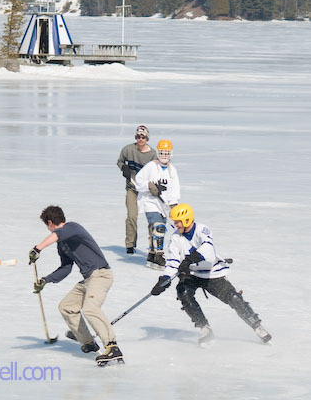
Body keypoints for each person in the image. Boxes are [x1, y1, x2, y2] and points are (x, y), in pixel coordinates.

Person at [151, 203, 272, 345]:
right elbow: (172, 261)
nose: (175, 225)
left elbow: (208, 250)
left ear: (187, 220)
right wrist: (164, 280)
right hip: (192, 274)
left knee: (233, 298)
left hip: (211, 273)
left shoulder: (202, 230)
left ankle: (256, 325)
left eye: (177, 222)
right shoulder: (176, 238)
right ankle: (204, 328)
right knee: (183, 292)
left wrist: (188, 260)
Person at [28, 205, 124, 366]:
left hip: (101, 274)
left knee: (90, 309)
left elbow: (59, 234)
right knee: (66, 306)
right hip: (88, 280)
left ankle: (112, 346)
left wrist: (38, 248)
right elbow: (66, 268)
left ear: (50, 222)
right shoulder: (61, 244)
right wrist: (46, 280)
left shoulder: (72, 228)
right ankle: (88, 342)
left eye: (47, 226)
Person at [134, 139, 180, 269]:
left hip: (163, 206)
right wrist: (149, 185)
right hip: (150, 203)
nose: (164, 155)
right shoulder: (151, 166)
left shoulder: (172, 171)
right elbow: (138, 180)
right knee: (158, 227)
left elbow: (174, 190)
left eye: (166, 153)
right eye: (162, 153)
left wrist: (173, 205)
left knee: (159, 230)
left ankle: (152, 253)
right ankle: (159, 255)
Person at [117, 125, 157, 254]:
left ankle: (154, 246)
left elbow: (156, 173)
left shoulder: (152, 155)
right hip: (132, 189)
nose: (141, 139)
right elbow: (120, 161)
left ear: (147, 138)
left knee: (152, 218)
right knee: (132, 216)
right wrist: (124, 168)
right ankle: (130, 244)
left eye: (143, 137)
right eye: (139, 136)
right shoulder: (128, 149)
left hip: (146, 192)